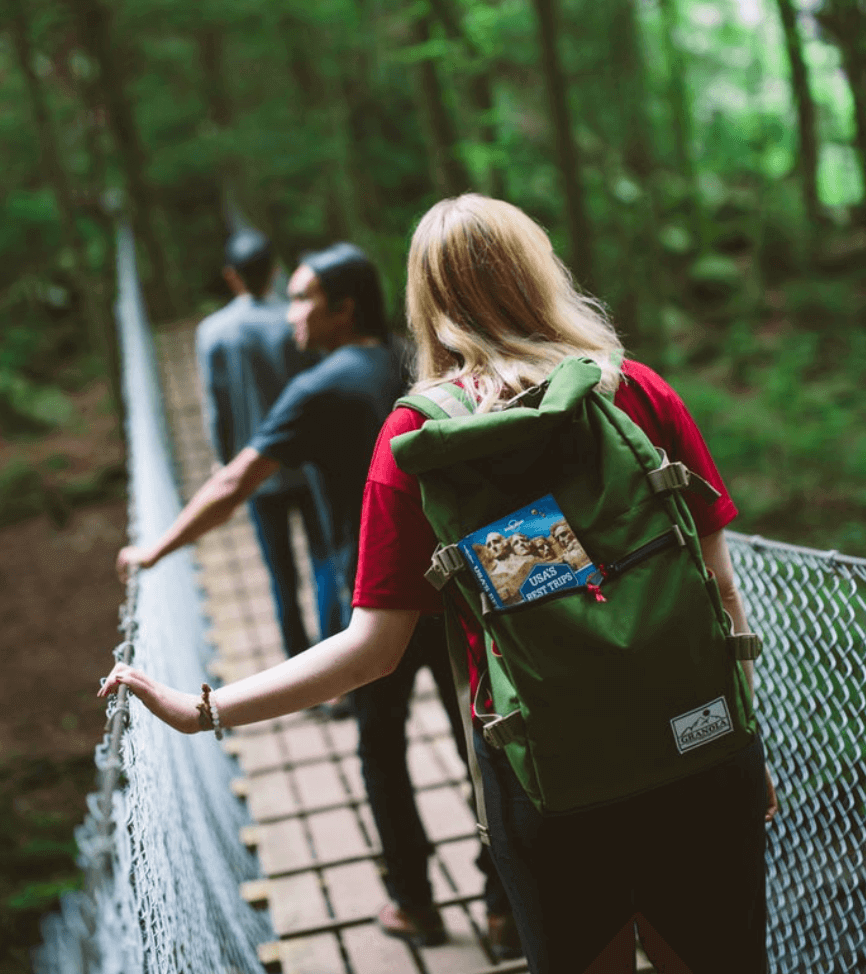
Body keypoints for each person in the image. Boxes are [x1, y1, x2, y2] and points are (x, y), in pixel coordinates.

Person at [102, 196, 778, 973]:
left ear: (424, 301)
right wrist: (745, 747)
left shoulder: (419, 441)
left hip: (549, 780)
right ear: (541, 272)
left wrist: (206, 709)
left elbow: (369, 654)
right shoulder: (635, 393)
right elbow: (722, 594)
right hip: (699, 753)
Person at [115, 241, 516, 957]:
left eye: (303, 299)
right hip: (457, 586)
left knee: (381, 750)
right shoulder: (421, 362)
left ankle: (416, 904)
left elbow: (234, 483)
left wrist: (154, 549)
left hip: (369, 598)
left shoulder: (318, 387)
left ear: (343, 309)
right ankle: (502, 901)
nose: (290, 312)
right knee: (478, 737)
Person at [194, 229, 326, 657]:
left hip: (254, 472)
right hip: (308, 463)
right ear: (274, 270)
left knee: (280, 575)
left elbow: (217, 407)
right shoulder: (296, 317)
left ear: (231, 277)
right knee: (325, 563)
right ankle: (338, 671)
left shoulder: (213, 332)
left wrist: (222, 461)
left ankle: (301, 670)